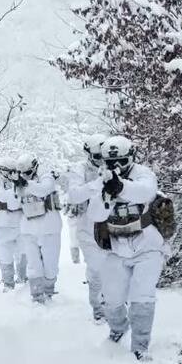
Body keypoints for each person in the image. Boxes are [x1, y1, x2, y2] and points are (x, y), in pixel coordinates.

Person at [87, 136, 167, 360]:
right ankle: (118, 330)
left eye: (121, 161)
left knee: (142, 295)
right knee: (112, 298)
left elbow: (146, 192)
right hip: (116, 247)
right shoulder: (101, 179)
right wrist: (106, 194)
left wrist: (120, 187)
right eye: (111, 163)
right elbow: (95, 214)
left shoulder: (143, 174)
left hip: (147, 246)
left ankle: (140, 344)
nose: (115, 167)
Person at [65, 134, 108, 322]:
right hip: (88, 228)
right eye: (98, 156)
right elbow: (74, 194)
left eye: (104, 156)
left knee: (116, 269)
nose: (102, 161)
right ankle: (99, 310)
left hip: (115, 228)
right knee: (97, 269)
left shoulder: (116, 166)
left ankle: (117, 306)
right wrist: (97, 184)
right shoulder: (79, 170)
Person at [16, 155, 63, 303]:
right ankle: (36, 296)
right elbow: (13, 202)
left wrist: (26, 184)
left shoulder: (46, 177)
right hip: (29, 230)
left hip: (49, 228)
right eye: (22, 173)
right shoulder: (18, 183)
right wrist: (16, 186)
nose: (25, 176)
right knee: (33, 265)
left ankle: (49, 291)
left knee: (50, 266)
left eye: (27, 172)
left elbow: (44, 190)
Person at [0, 158, 26, 292]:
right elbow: (4, 197)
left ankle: (23, 279)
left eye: (16, 171)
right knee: (5, 254)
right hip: (1, 226)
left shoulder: (18, 182)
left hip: (18, 224)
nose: (15, 174)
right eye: (12, 172)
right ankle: (8, 284)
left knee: (23, 252)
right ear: (3, 172)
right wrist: (17, 187)